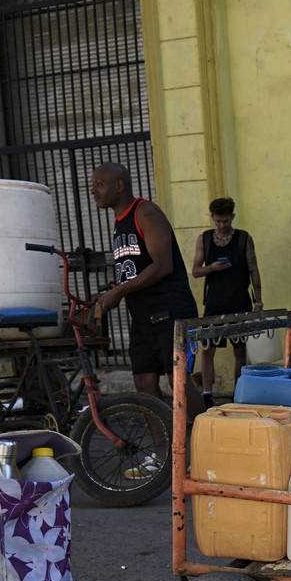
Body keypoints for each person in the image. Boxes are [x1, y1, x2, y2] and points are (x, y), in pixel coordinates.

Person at [90, 162, 198, 399]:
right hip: (142, 316)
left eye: (99, 184)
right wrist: (116, 289)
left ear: (119, 185)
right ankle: (164, 434)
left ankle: (205, 433)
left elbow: (163, 265)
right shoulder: (119, 222)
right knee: (143, 381)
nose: (93, 190)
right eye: (93, 185)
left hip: (170, 311)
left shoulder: (146, 213)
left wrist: (119, 292)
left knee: (178, 381)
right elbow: (136, 269)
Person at [190, 197, 262, 409]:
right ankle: (207, 394)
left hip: (240, 301)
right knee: (208, 349)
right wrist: (211, 268)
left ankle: (238, 391)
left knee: (240, 349)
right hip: (214, 303)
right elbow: (195, 271)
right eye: (218, 221)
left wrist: (258, 301)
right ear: (212, 218)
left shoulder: (243, 239)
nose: (222, 225)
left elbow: (253, 269)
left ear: (233, 217)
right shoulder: (204, 239)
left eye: (226, 221)